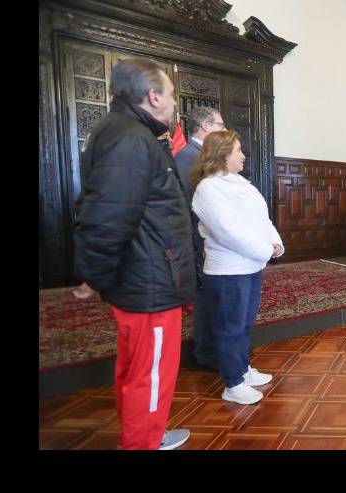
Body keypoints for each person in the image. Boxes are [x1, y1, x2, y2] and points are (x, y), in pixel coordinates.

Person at [72, 58, 194, 450]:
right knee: (151, 374)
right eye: (172, 95)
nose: (175, 104)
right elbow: (108, 218)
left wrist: (99, 275)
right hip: (150, 282)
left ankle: (146, 435)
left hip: (142, 277)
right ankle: (142, 442)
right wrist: (95, 275)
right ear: (154, 96)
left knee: (136, 368)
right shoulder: (131, 139)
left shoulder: (123, 131)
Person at [191, 130, 284, 404]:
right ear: (222, 154)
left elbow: (262, 219)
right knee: (229, 327)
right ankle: (232, 383)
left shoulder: (240, 182)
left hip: (251, 266)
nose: (243, 156)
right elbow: (228, 232)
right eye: (238, 151)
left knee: (243, 323)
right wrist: (265, 251)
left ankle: (243, 369)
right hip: (228, 271)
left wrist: (275, 242)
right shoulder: (207, 188)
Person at [174, 106, 227, 370]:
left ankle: (210, 351)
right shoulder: (191, 158)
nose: (225, 131)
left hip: (202, 241)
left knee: (210, 300)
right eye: (220, 125)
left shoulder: (194, 155)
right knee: (208, 302)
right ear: (206, 126)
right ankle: (208, 354)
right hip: (199, 242)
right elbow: (194, 207)